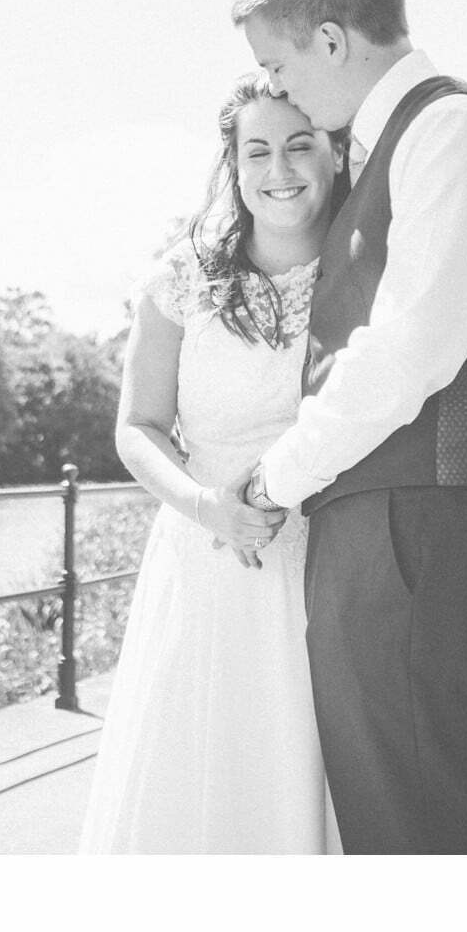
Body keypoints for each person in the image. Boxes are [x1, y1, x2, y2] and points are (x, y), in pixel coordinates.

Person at [208, 0, 467, 854]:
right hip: (387, 523)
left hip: (420, 525)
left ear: (331, 41)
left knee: (419, 832)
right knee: (387, 820)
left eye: (277, 63)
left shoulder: (453, 132)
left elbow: (411, 352)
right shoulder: (394, 147)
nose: (276, 87)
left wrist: (273, 477)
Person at [78, 73, 344, 854]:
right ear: (232, 163)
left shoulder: (364, 271)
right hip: (204, 559)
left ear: (332, 153)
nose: (279, 168)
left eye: (300, 145)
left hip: (328, 558)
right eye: (256, 149)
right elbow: (137, 427)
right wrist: (207, 507)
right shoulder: (182, 280)